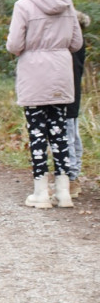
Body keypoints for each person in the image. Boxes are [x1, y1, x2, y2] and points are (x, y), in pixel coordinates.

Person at [6, 0, 83, 209]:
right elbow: (76, 42)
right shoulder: (67, 3)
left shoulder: (24, 4)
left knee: (37, 133)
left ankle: (41, 193)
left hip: (33, 75)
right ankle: (63, 192)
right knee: (60, 132)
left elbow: (14, 44)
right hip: (61, 75)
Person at [64, 11, 91, 197]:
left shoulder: (73, 47)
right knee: (72, 132)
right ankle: (73, 175)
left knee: (69, 134)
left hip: (67, 96)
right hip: (71, 97)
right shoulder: (77, 44)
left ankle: (71, 178)